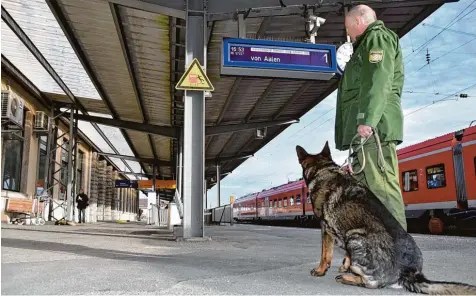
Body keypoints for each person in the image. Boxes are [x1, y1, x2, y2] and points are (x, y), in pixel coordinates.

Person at [334, 4, 407, 230]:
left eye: (349, 28)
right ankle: (377, 252)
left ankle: (401, 258)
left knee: (382, 189)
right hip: (365, 132)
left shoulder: (377, 38)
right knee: (368, 195)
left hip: (374, 129)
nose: (349, 34)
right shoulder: (364, 45)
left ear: (358, 21)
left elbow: (378, 80)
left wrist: (367, 119)